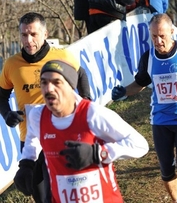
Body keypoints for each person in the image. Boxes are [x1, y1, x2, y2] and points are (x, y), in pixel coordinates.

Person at [111, 14, 177, 202]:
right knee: (166, 169)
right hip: (160, 119)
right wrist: (124, 92)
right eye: (153, 37)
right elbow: (140, 82)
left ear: (172, 32)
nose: (158, 41)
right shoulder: (148, 57)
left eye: (162, 36)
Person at [13, 59, 149, 203]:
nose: (49, 89)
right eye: (44, 82)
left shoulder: (93, 114)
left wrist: (96, 154)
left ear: (71, 86)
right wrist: (27, 164)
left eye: (56, 82)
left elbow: (140, 145)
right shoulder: (37, 116)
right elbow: (32, 138)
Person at [0, 12, 91, 202]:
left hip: (61, 135)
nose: (29, 40)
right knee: (41, 196)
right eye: (24, 35)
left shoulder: (62, 56)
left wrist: (86, 105)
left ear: (45, 34)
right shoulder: (12, 64)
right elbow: (1, 94)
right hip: (31, 139)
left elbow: (81, 75)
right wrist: (7, 114)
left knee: (65, 193)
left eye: (33, 34)